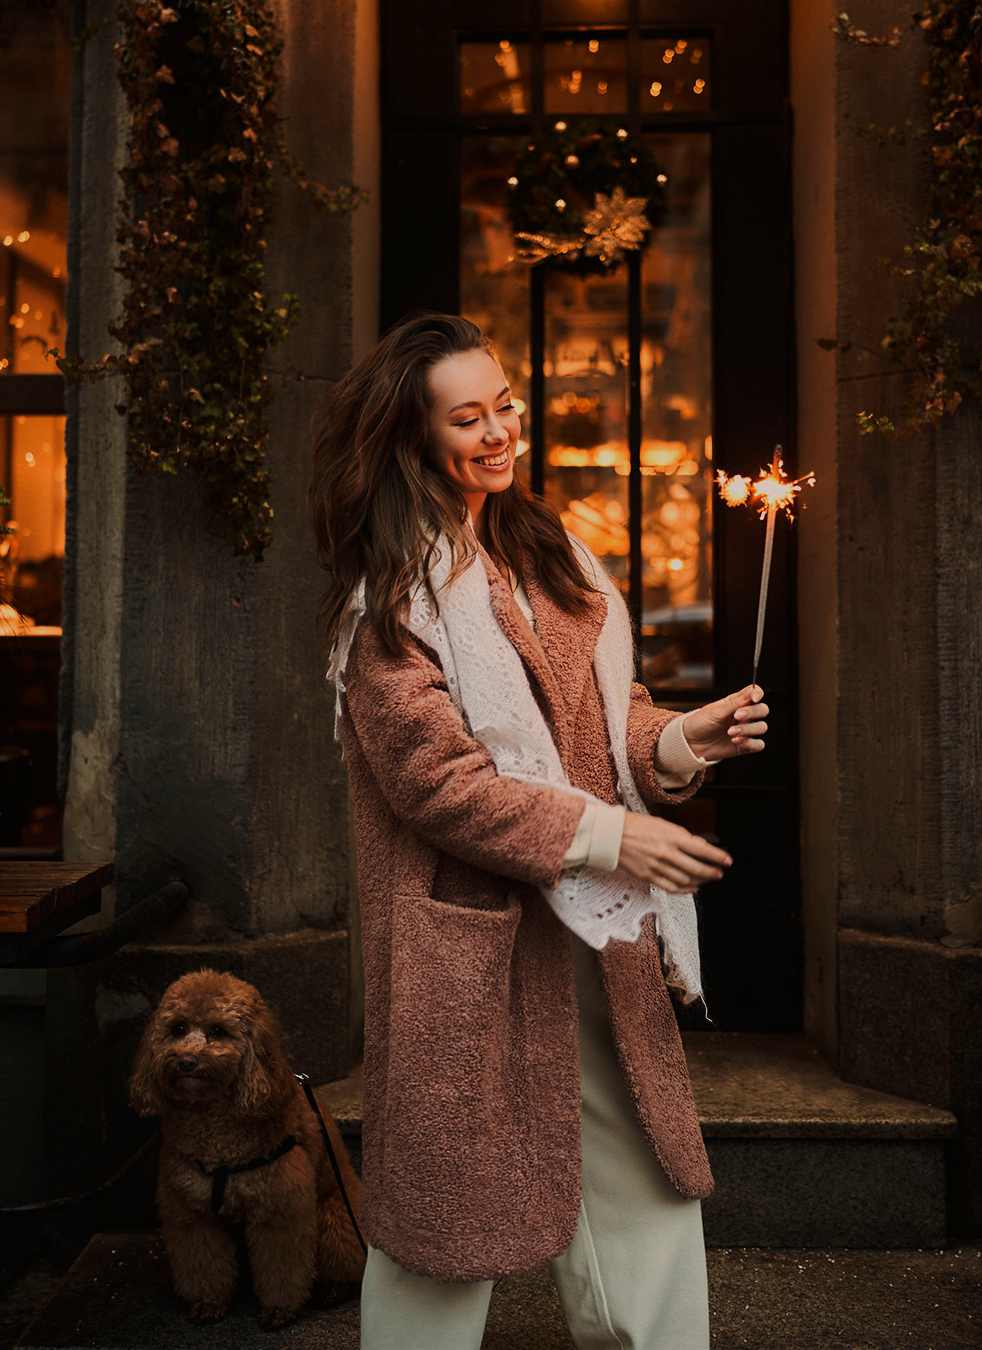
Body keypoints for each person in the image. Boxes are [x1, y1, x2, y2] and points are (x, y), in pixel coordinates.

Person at [309, 313, 769, 1350]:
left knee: (645, 1181)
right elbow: (437, 785)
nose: (497, 432)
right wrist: (614, 839)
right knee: (440, 1233)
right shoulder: (388, 601)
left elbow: (609, 731)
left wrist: (684, 739)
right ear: (412, 440)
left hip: (591, 941)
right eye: (465, 417)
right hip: (468, 953)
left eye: (504, 404)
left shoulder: (549, 554)